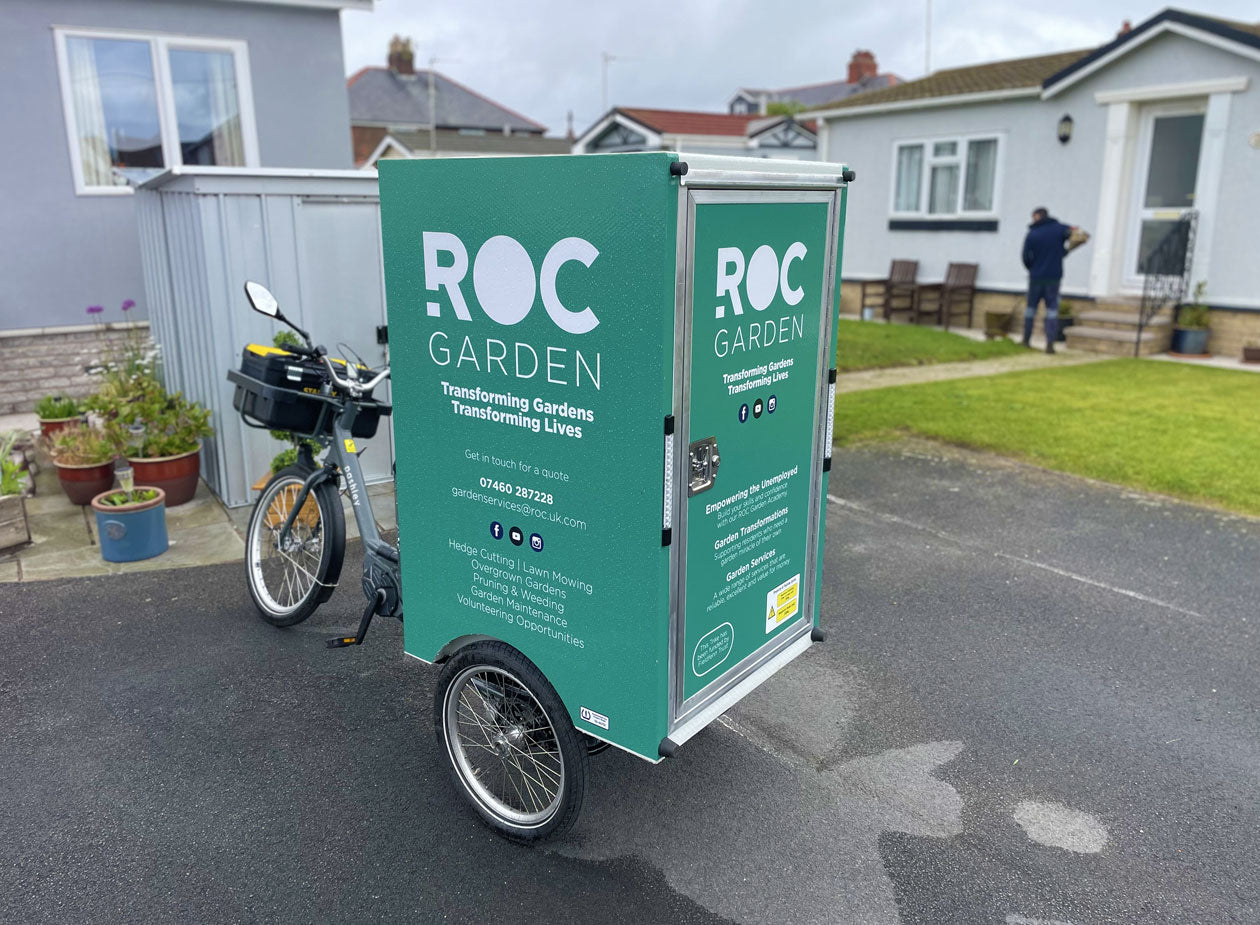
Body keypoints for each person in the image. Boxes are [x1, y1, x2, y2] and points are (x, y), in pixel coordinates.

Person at [1021, 207, 1087, 354]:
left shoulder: (1032, 234)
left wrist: (1031, 268)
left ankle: (1026, 339)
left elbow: (1025, 256)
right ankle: (1050, 343)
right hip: (1054, 278)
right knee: (1052, 311)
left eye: (1034, 217)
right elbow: (1079, 234)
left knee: (1031, 309)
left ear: (1038, 216)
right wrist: (1066, 251)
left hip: (1036, 278)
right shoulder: (1060, 229)